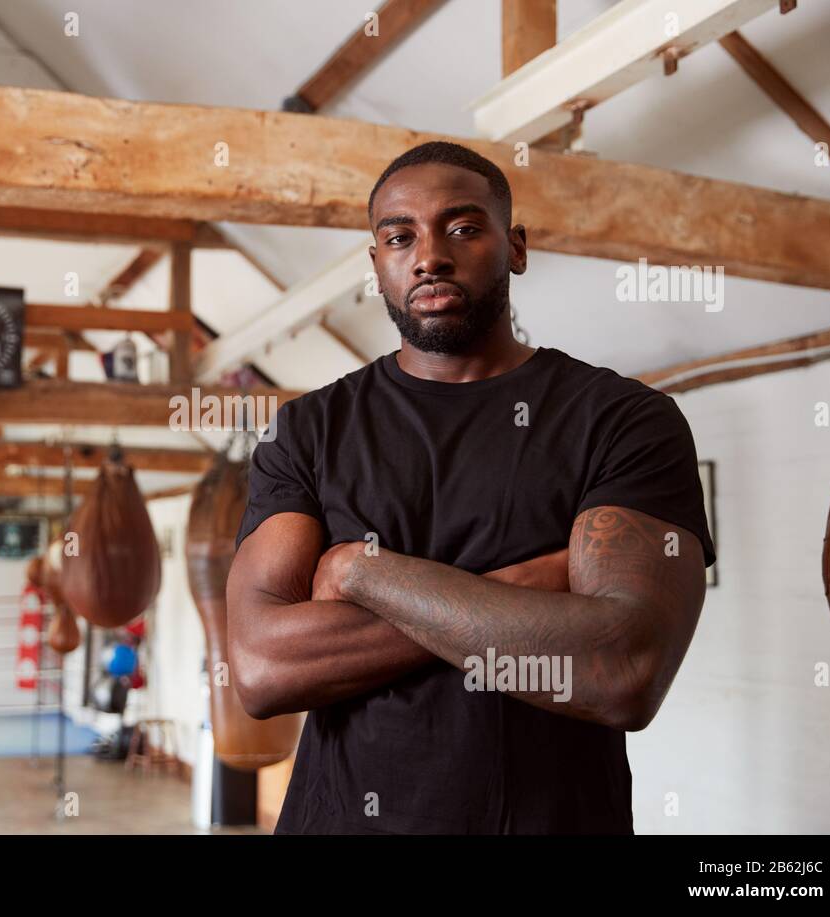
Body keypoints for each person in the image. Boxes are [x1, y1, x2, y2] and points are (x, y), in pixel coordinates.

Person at [227, 141, 716, 835]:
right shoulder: (306, 430)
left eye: (462, 228)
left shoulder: (622, 419)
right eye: (400, 237)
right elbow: (260, 666)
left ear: (515, 247)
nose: (429, 255)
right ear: (377, 265)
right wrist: (537, 587)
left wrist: (359, 570)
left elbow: (623, 667)